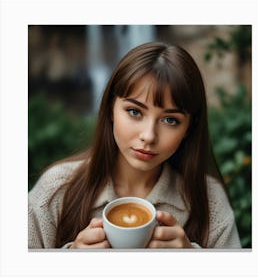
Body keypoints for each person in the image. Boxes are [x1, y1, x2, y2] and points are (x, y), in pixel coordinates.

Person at [28, 41, 241, 249]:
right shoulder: (55, 190)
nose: (148, 136)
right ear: (111, 108)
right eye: (135, 112)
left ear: (188, 128)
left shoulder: (209, 199)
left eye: (170, 120)